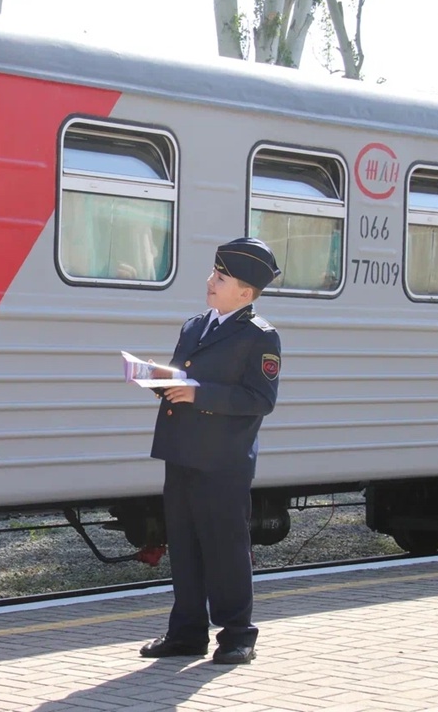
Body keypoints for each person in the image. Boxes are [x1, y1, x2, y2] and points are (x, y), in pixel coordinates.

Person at [139, 237, 282, 665]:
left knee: (225, 547)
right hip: (182, 451)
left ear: (245, 292)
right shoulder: (194, 326)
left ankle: (238, 634)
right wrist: (162, 382)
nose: (209, 282)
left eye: (219, 278)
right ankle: (186, 633)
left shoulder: (260, 337)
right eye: (212, 274)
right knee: (183, 546)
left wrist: (199, 393)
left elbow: (260, 399)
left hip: (223, 461)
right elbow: (185, 381)